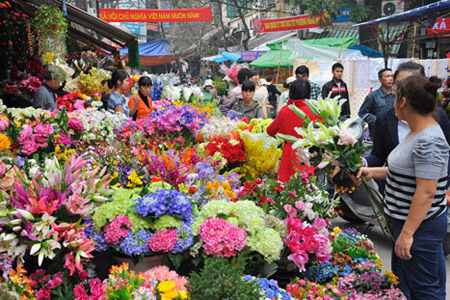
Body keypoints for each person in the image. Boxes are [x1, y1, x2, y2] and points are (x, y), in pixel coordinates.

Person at [355, 75, 449, 300]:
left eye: (396, 97)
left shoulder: (429, 140)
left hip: (419, 228)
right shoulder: (416, 132)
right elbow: (407, 172)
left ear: (403, 101)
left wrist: (407, 234)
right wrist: (371, 171)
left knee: (425, 289)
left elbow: (426, 192)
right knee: (410, 284)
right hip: (408, 225)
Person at [267, 79, 318, 182]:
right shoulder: (314, 111)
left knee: (286, 189)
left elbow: (270, 131)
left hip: (288, 156)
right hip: (307, 155)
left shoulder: (284, 111)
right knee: (306, 189)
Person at [358, 68, 395, 138]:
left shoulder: (397, 95)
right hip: (377, 134)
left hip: (393, 133)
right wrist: (377, 120)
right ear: (380, 80)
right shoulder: (373, 96)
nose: (390, 79)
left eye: (392, 76)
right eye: (387, 76)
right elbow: (362, 113)